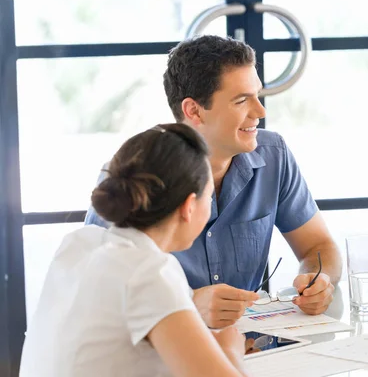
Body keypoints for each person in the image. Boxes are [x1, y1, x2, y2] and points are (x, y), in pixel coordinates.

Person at [85, 35, 342, 328]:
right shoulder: (135, 172)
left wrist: (319, 279)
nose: (260, 111)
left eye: (257, 95)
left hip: (249, 340)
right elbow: (94, 295)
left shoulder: (274, 156)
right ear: (193, 110)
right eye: (242, 100)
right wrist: (187, 303)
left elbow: (320, 246)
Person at [20, 124, 250, 377]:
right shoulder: (149, 271)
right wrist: (230, 351)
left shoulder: (79, 243)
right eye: (208, 197)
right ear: (188, 207)